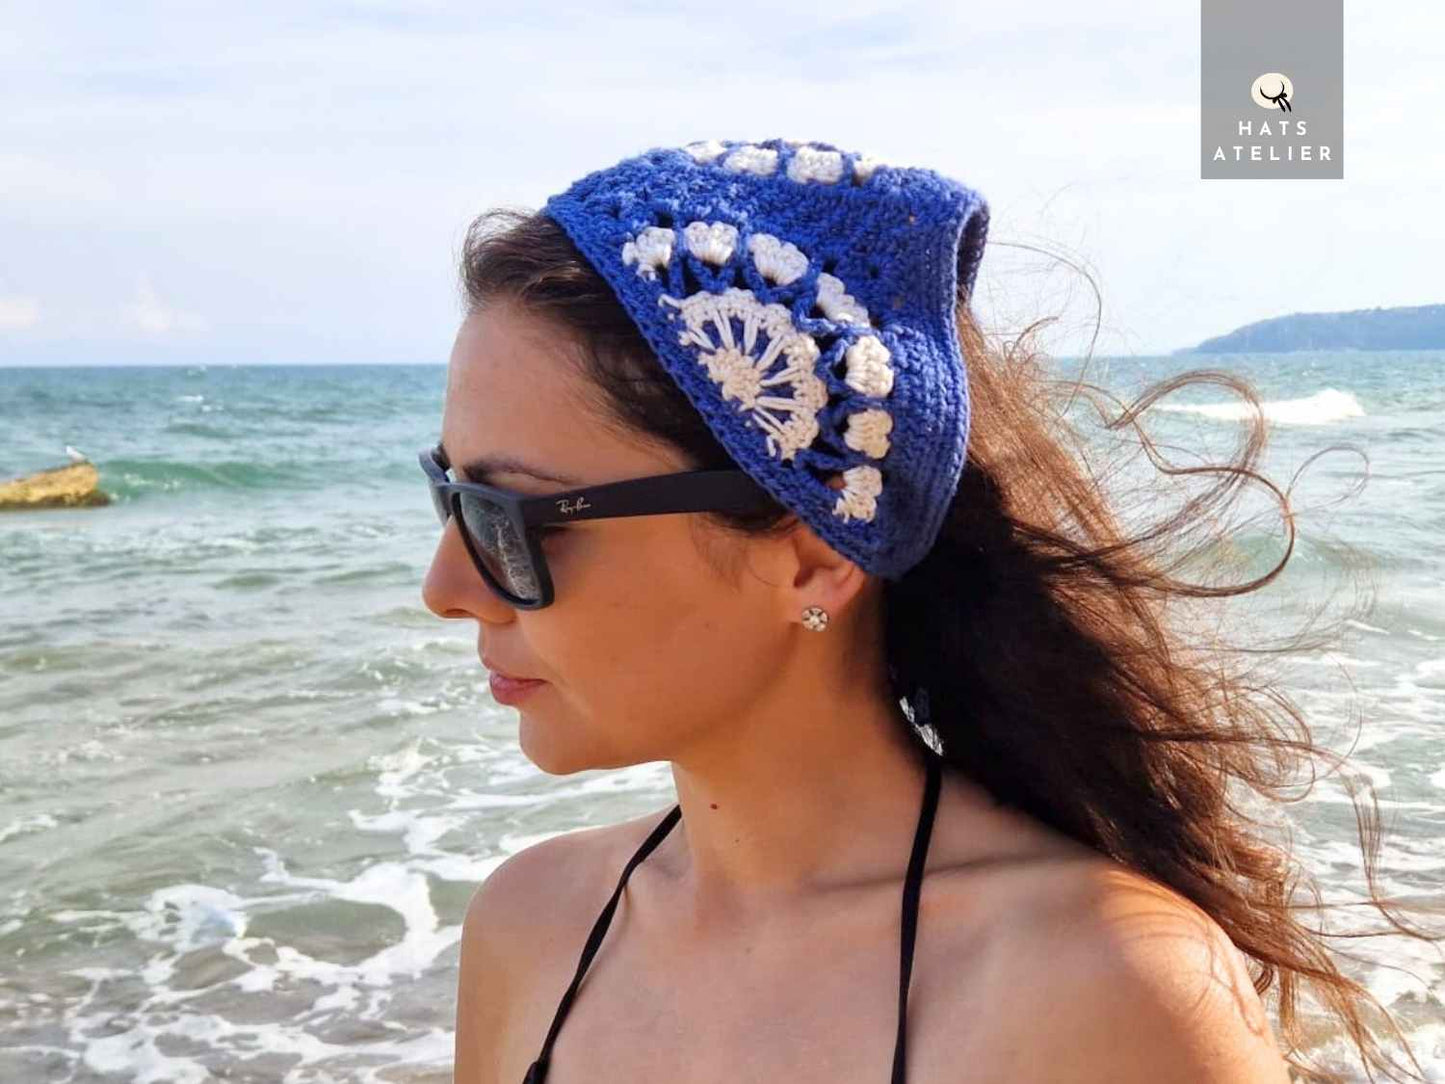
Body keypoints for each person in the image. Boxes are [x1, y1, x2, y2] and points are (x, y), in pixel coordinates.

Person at [422, 138, 1431, 1083]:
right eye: (448, 494)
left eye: (509, 516)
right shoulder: (534, 927)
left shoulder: (1103, 993)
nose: (444, 586)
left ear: (815, 551)